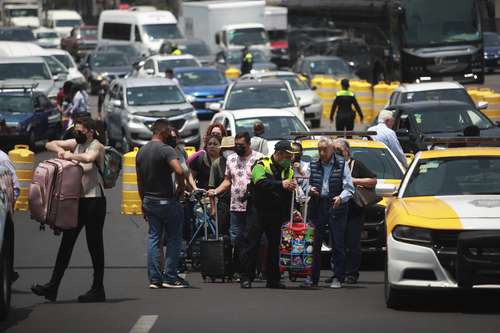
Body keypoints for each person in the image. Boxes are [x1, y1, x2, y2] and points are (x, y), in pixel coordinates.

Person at [32, 118, 107, 302]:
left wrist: (69, 156)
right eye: (75, 130)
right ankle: (53, 287)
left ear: (90, 131)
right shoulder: (77, 144)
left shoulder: (97, 146)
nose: (76, 133)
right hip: (77, 202)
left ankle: (98, 289)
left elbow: (89, 159)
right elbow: (51, 143)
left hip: (94, 201)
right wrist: (60, 150)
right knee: (67, 243)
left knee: (94, 245)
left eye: (80, 131)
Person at [136, 119, 189, 289]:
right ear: (161, 131)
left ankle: (155, 279)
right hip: (167, 200)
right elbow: (180, 170)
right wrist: (181, 187)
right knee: (174, 238)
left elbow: (139, 181)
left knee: (153, 238)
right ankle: (170, 277)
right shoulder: (165, 150)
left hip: (149, 200)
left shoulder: (142, 151)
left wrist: (142, 201)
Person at [238, 140, 296, 289]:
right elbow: (259, 182)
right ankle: (246, 277)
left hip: (276, 212)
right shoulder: (261, 164)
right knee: (251, 244)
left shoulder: (288, 169)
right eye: (288, 156)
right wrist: (281, 184)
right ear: (279, 154)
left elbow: (289, 192)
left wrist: (291, 211)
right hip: (257, 210)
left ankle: (273, 279)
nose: (290, 159)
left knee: (275, 246)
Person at [208, 132, 263, 277]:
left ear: (249, 144)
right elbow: (227, 180)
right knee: (236, 239)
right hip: (235, 206)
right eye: (236, 145)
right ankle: (241, 269)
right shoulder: (231, 159)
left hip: (253, 207)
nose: (238, 148)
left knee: (251, 239)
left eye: (241, 146)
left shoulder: (259, 158)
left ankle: (250, 271)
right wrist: (216, 191)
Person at [308, 137, 355, 288]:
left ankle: (338, 277)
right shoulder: (313, 163)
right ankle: (312, 277)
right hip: (318, 205)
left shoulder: (342, 164)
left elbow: (349, 188)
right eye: (319, 150)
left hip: (336, 206)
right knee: (314, 244)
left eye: (324, 150)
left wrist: (341, 198)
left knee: (338, 243)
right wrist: (309, 189)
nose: (321, 153)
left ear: (332, 150)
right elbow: (304, 182)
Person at [333, 138, 377, 284]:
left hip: (354, 210)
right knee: (338, 243)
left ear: (346, 151)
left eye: (339, 150)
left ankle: (352, 273)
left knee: (352, 243)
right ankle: (338, 272)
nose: (337, 153)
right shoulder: (332, 164)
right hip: (338, 209)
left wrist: (353, 180)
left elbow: (373, 180)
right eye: (334, 150)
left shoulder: (355, 164)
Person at [208, 136, 235, 236]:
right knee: (222, 234)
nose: (229, 152)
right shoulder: (217, 164)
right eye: (226, 149)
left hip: (238, 203)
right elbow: (211, 187)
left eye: (231, 149)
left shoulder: (239, 162)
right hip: (223, 203)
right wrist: (213, 208)